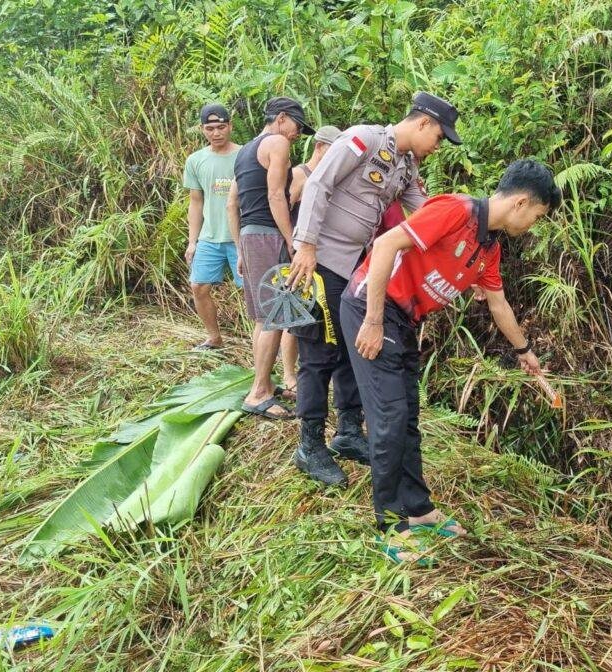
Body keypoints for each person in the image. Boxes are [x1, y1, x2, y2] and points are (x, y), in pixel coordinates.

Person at [341, 159, 562, 564]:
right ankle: (392, 527)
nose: (534, 223)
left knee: (406, 417)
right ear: (522, 203)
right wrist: (372, 320)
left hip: (404, 319)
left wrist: (524, 352)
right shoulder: (454, 210)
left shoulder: (488, 246)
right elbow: (387, 245)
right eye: (538, 215)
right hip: (371, 309)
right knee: (388, 418)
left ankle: (419, 509)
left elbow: (499, 304)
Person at [286, 92, 460, 486]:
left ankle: (348, 431)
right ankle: (309, 444)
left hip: (356, 269)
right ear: (423, 124)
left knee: (351, 348)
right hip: (322, 259)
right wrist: (306, 245)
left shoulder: (403, 165)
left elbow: (430, 210)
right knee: (318, 351)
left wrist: (470, 226)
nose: (437, 147)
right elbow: (318, 184)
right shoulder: (363, 139)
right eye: (438, 137)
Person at [229, 96, 314, 419]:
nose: (297, 134)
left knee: (264, 317)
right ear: (281, 118)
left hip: (252, 234)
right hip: (269, 233)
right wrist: (292, 239)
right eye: (297, 126)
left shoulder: (245, 149)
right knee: (275, 315)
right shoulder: (276, 142)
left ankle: (262, 381)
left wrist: (240, 247)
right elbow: (276, 194)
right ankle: (258, 393)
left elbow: (233, 203)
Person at [182, 103, 241, 351]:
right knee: (198, 286)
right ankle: (214, 338)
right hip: (209, 237)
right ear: (202, 129)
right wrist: (192, 241)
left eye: (221, 127)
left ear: (230, 126)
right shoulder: (196, 160)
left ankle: (269, 340)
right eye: (210, 128)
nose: (216, 133)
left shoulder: (245, 154)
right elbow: (196, 202)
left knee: (253, 291)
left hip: (240, 237)